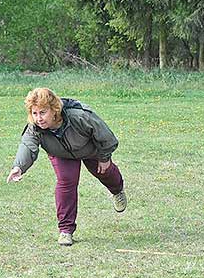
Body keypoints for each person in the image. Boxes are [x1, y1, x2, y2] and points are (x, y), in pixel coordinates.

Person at [7, 88, 126, 246]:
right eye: (34, 113)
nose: (39, 118)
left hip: (90, 149)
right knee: (66, 182)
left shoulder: (79, 116)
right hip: (61, 154)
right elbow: (27, 146)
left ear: (54, 110)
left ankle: (117, 190)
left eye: (43, 112)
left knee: (105, 172)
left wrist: (104, 157)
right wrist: (18, 167)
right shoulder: (34, 128)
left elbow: (104, 135)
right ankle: (65, 230)